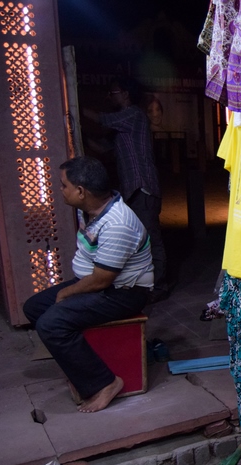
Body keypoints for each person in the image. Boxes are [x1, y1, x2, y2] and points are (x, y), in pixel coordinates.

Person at [23, 157, 153, 413]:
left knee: (50, 324)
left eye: (64, 185)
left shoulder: (118, 223)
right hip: (96, 283)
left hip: (123, 293)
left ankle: (106, 383)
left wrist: (66, 293)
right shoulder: (91, 208)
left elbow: (102, 279)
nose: (60, 190)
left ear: (81, 191)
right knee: (34, 308)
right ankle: (80, 362)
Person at [85, 77, 168, 300]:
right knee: (140, 240)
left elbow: (102, 119)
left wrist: (76, 108)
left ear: (126, 94)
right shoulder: (122, 126)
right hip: (133, 189)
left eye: (113, 93)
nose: (110, 97)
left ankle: (159, 287)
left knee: (151, 239)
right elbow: (102, 147)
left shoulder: (133, 114)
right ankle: (145, 285)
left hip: (143, 187)